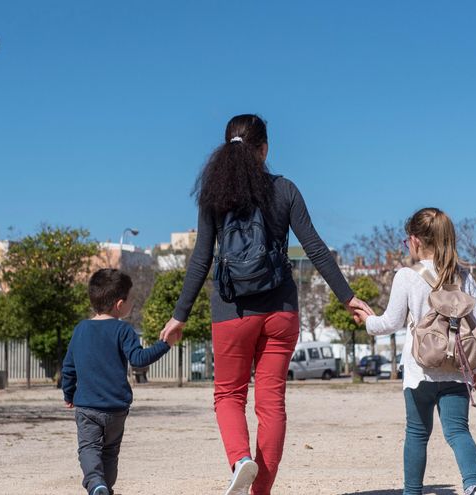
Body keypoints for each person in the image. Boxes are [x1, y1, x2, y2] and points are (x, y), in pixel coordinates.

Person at [159, 114, 373, 495]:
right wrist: (348, 297)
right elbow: (315, 248)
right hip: (281, 311)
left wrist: (180, 316)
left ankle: (241, 460)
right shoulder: (285, 189)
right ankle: (261, 492)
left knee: (228, 394)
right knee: (271, 402)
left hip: (232, 312)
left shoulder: (215, 196)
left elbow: (201, 258)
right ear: (265, 149)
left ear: (226, 149)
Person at [354, 207, 476, 495]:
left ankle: (412, 492)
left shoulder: (406, 276)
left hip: (420, 372)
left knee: (416, 434)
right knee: (458, 432)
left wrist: (367, 321)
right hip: (457, 369)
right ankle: (474, 486)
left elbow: (390, 322)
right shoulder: (463, 276)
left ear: (415, 240)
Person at [62, 269, 179, 495]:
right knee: (110, 451)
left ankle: (96, 484)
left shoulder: (80, 330)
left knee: (88, 448)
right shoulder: (124, 330)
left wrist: (69, 394)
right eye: (130, 300)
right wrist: (166, 344)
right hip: (116, 408)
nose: (131, 305)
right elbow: (139, 359)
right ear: (119, 304)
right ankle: (106, 487)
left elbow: (68, 368)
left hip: (87, 407)